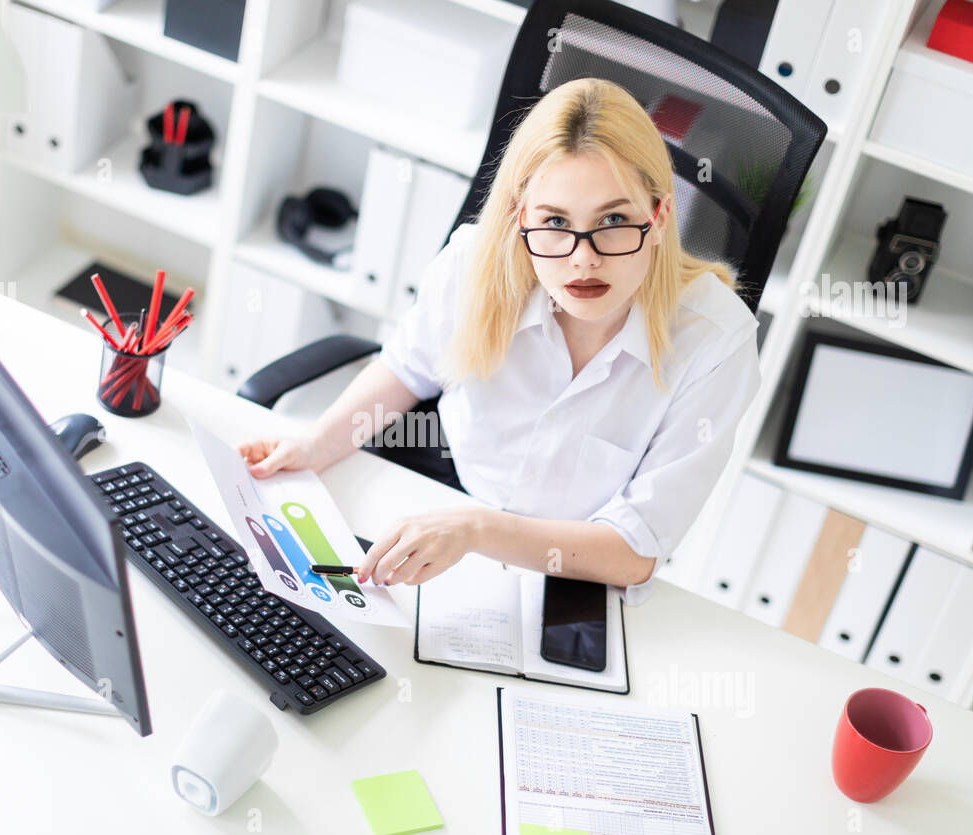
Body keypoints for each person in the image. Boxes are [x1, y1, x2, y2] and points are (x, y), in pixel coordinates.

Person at [237, 77, 761, 604]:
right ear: (520, 216)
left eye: (614, 220)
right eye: (555, 221)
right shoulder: (475, 262)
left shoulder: (716, 341)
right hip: (445, 490)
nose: (583, 258)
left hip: (578, 562)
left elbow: (634, 550)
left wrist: (477, 532)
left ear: (660, 214)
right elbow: (405, 370)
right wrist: (314, 444)